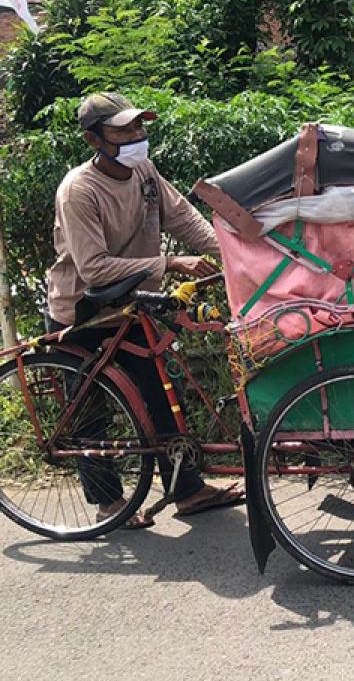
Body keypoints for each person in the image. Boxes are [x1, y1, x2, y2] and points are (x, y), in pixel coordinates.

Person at [46, 92, 246, 530]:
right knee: (91, 412)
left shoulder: (144, 171)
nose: (138, 136)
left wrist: (237, 254)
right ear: (92, 139)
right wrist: (169, 263)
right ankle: (107, 504)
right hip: (82, 311)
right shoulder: (79, 191)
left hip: (129, 305)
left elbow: (184, 219)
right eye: (124, 130)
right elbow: (93, 268)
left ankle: (187, 491)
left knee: (160, 395)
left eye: (139, 127)